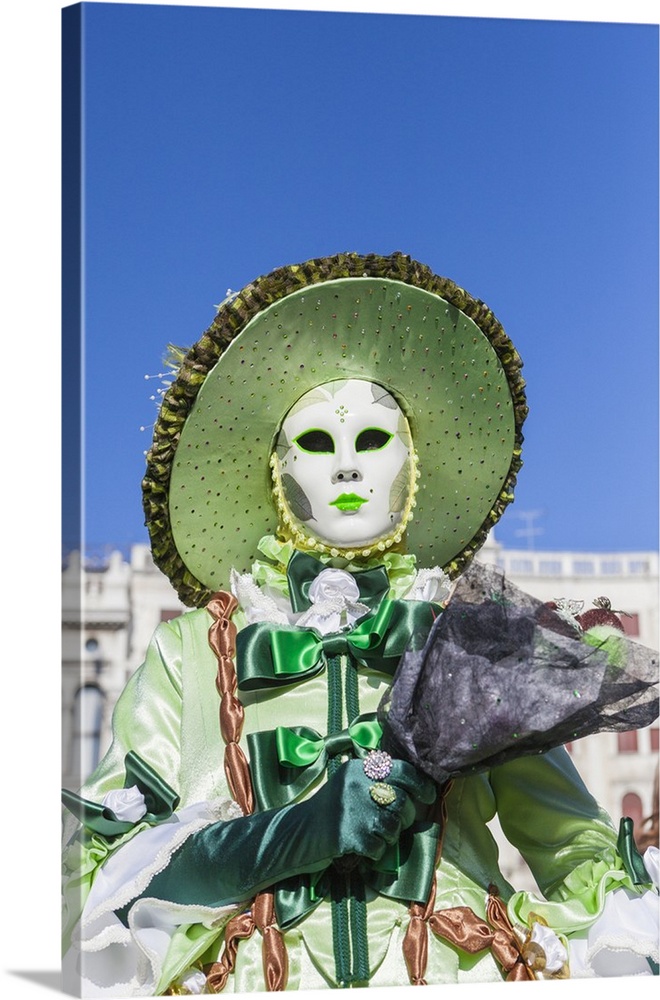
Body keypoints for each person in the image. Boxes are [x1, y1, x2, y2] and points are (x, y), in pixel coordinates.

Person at [62, 252, 659, 996]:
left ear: (413, 467)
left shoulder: (473, 641)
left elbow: (578, 853)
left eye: (372, 440)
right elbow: (106, 881)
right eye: (317, 443)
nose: (347, 467)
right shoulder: (192, 650)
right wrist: (289, 834)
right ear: (277, 472)